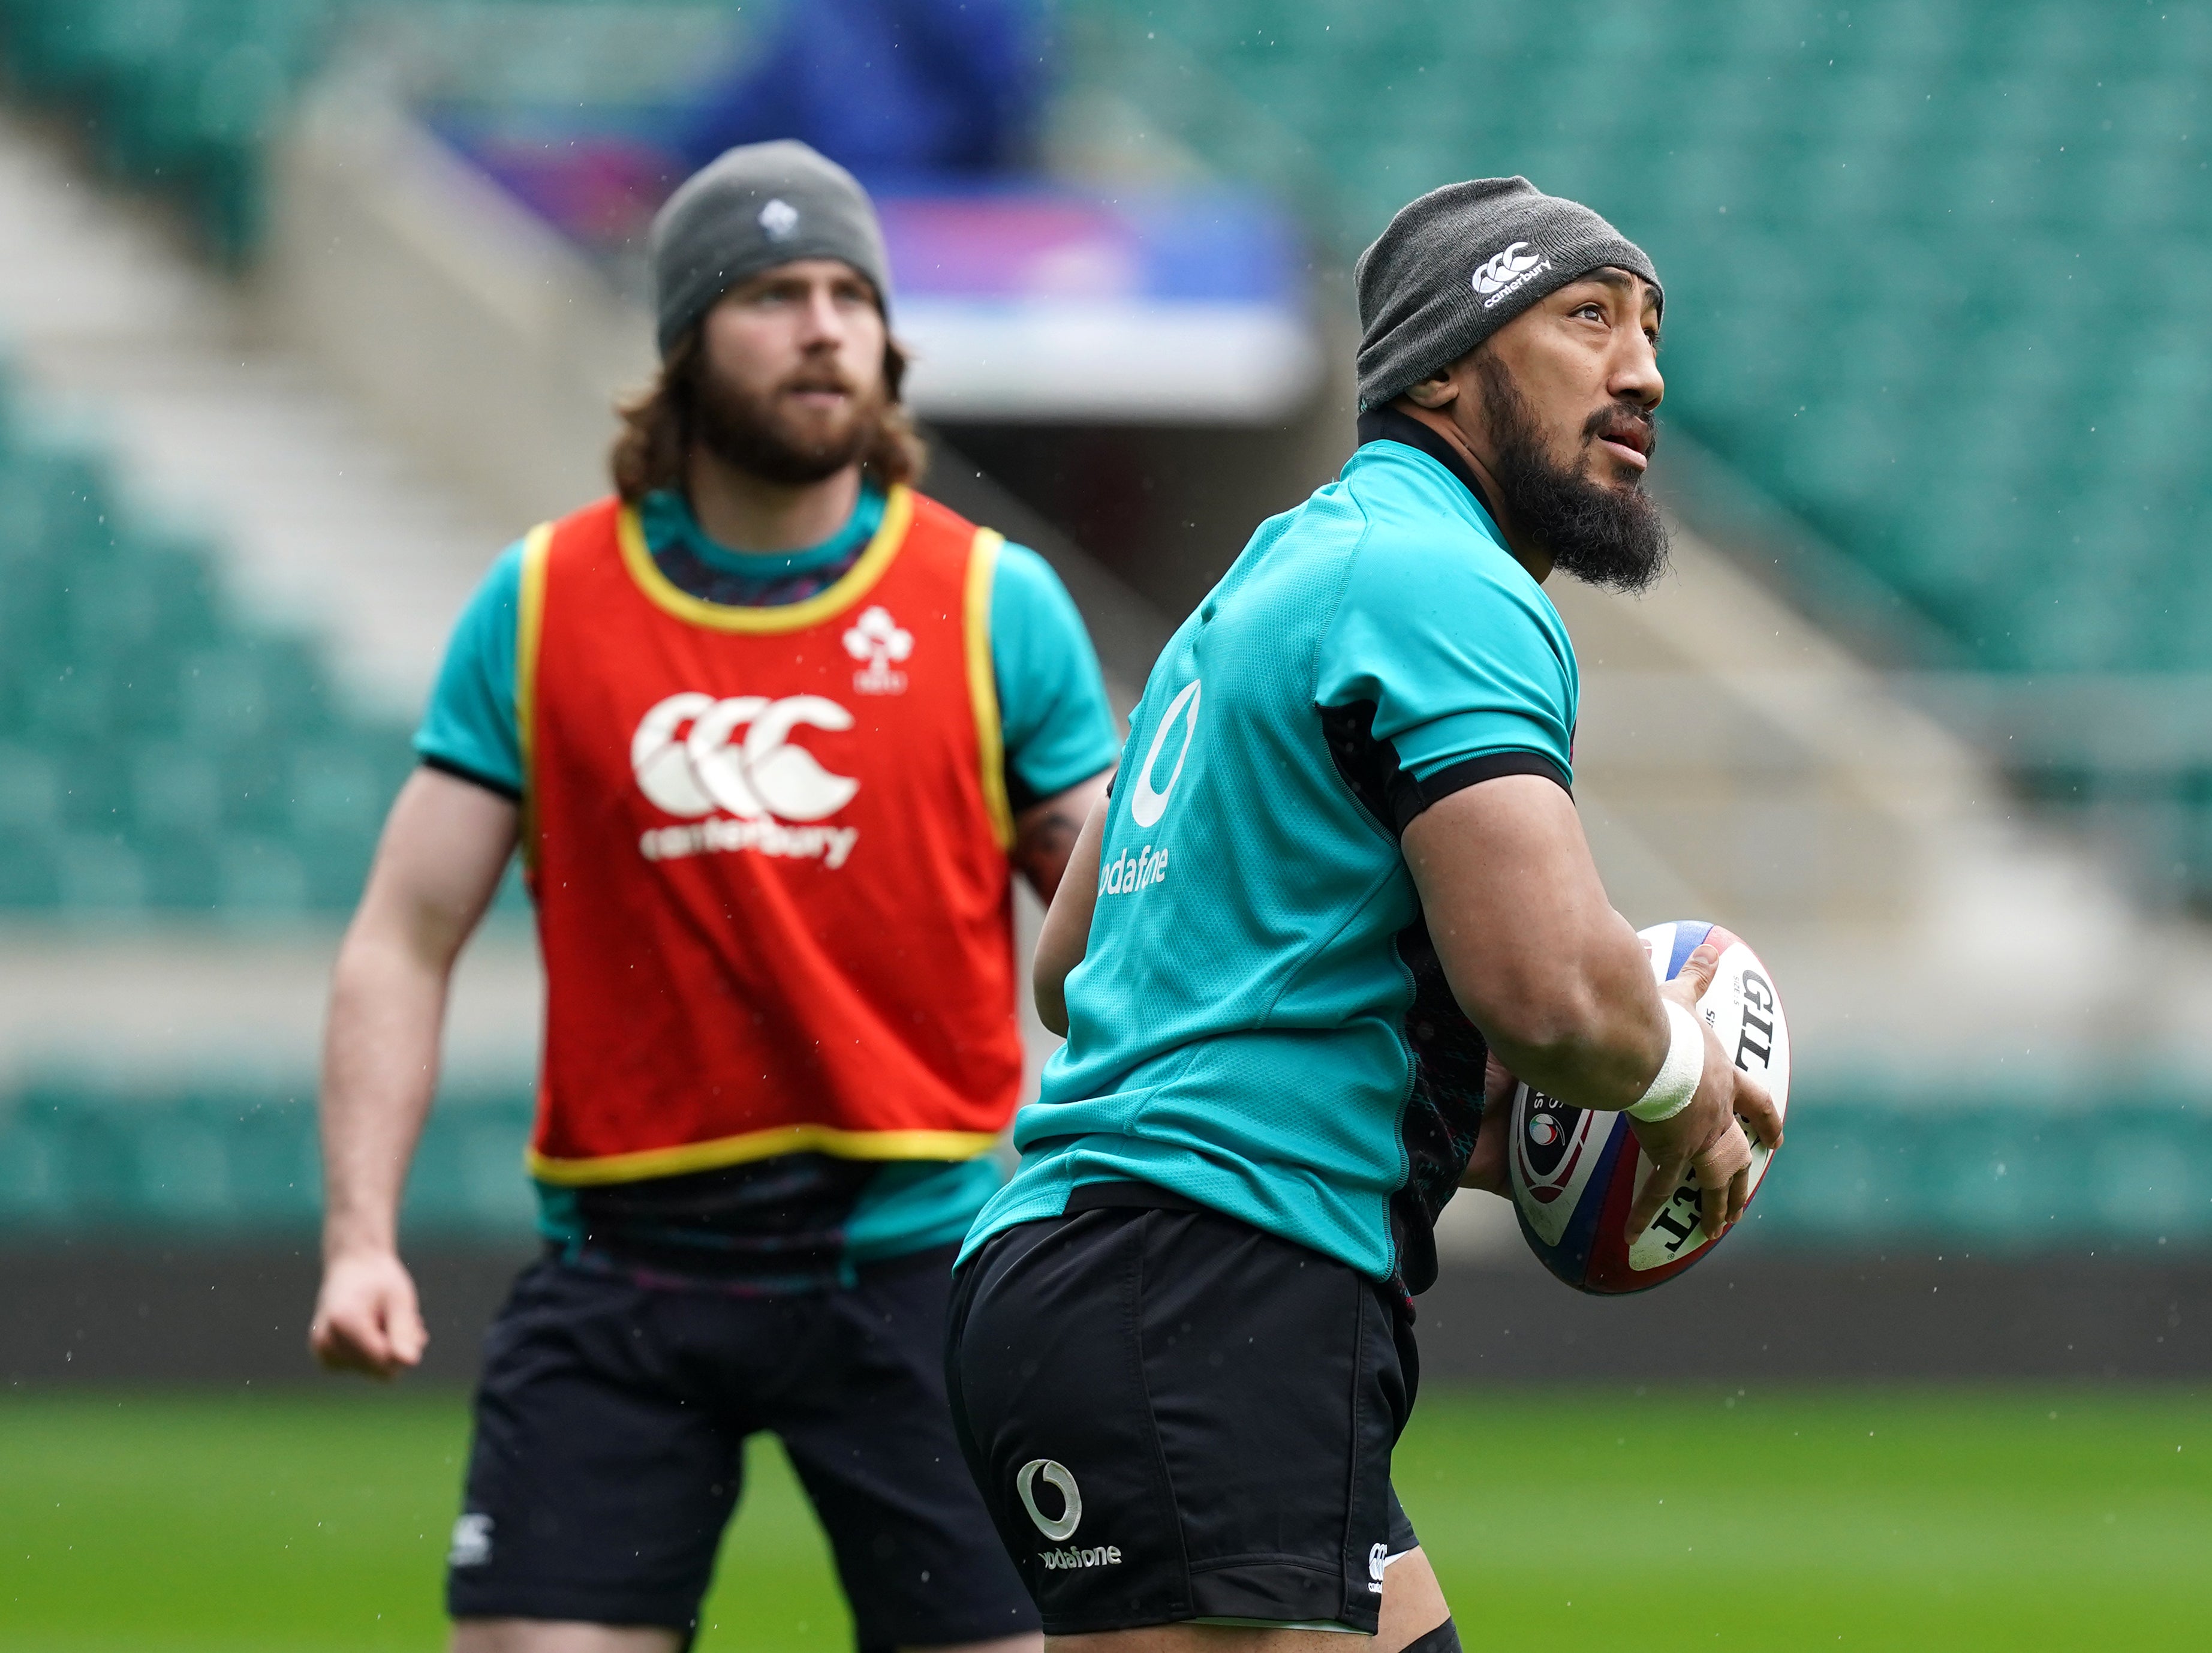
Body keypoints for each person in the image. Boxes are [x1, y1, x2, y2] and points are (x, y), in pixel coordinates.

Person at [944, 177, 1784, 1652]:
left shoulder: (1269, 574)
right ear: (1443, 367)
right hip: (1206, 1291)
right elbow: (1555, 994)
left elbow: (1080, 969)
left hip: (1115, 1280)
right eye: (1586, 316)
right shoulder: (1440, 581)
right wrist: (1677, 1086)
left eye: (1651, 328)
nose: (1643, 367)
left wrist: (1449, 1112)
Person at [308, 140, 1117, 1653]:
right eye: (768, 294)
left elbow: (1135, 942)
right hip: (624, 1274)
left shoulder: (995, 602)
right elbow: (402, 938)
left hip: (924, 1260)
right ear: (681, 347)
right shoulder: (545, 603)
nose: (822, 326)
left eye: (846, 294)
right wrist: (361, 1233)